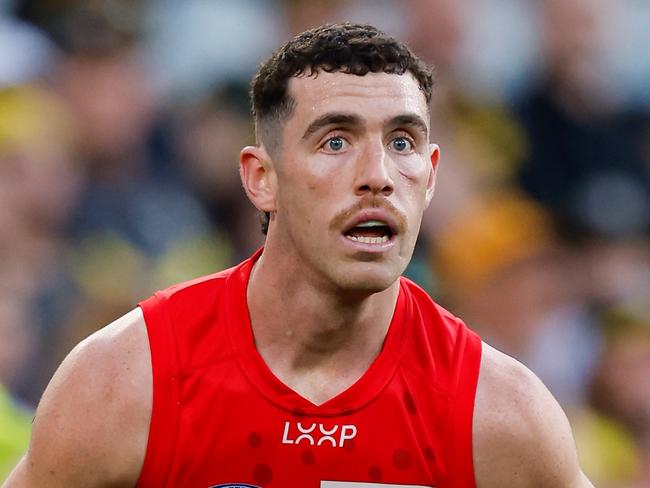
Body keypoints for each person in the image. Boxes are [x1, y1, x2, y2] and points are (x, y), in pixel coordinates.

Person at [3, 23, 594, 487]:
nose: (378, 176)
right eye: (336, 140)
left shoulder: (499, 415)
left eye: (402, 142)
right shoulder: (129, 380)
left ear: (431, 176)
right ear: (262, 179)